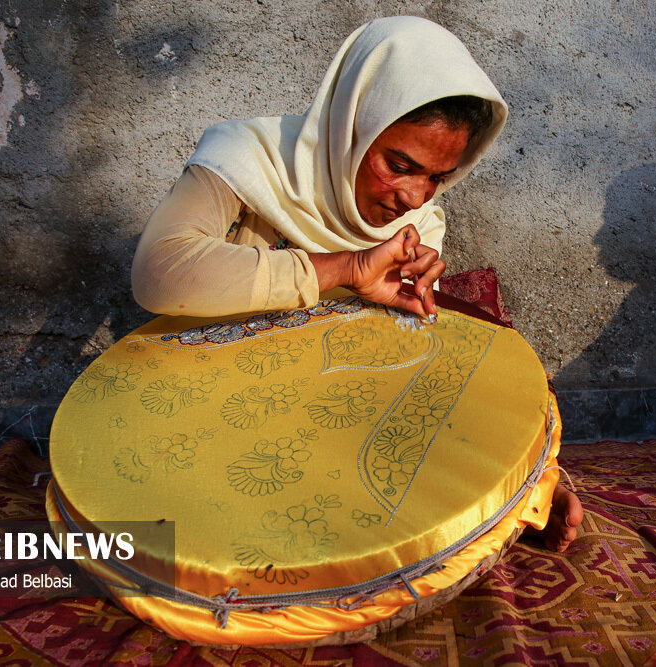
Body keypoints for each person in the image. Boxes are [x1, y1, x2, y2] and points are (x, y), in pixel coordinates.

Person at [131, 16, 581, 551]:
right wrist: (344, 269)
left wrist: (529, 481)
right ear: (351, 125)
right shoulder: (245, 162)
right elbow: (160, 272)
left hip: (315, 439)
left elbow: (403, 383)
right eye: (399, 164)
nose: (415, 197)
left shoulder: (417, 227)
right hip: (205, 413)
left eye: (438, 177)